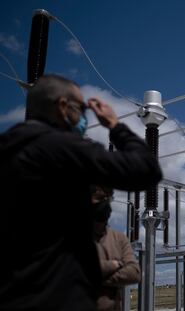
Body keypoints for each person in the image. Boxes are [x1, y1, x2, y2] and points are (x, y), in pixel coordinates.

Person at [0, 74, 162, 311]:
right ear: (63, 107)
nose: (84, 117)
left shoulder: (6, 152)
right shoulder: (61, 147)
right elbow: (146, 170)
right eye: (82, 108)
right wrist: (115, 126)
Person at [91, 186, 140, 311]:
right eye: (100, 198)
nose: (105, 203)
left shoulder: (119, 239)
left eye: (108, 198)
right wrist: (114, 264)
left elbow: (134, 273)